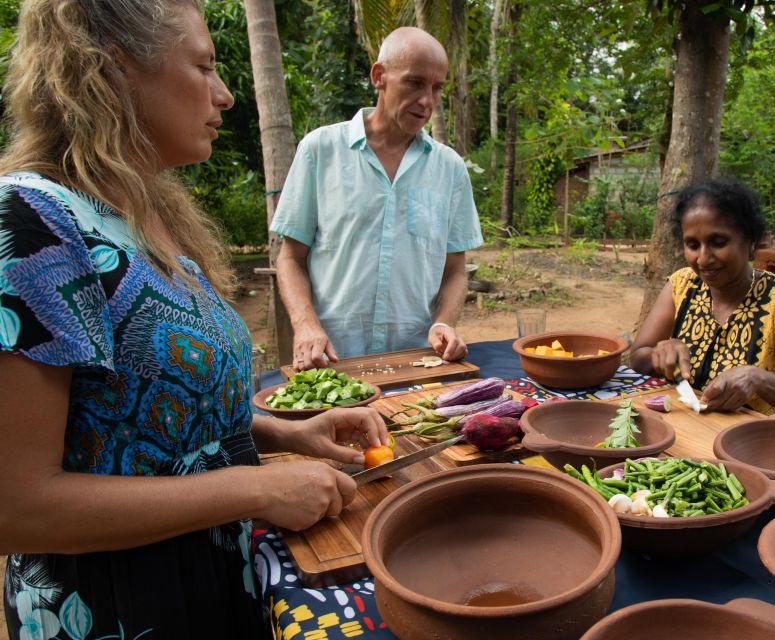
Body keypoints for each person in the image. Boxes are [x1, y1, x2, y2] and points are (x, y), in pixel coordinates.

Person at [0, 2, 388, 637]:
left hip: (211, 577)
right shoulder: (33, 223)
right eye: (204, 66)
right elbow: (15, 506)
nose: (225, 94)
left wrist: (290, 435)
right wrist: (256, 491)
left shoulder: (149, 219)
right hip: (115, 609)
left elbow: (155, 417)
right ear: (117, 71)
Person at [270, 26, 483, 370]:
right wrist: (306, 325)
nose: (427, 101)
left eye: (437, 88)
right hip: (332, 362)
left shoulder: (450, 169)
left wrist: (444, 321)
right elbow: (290, 258)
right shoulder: (321, 150)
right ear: (379, 76)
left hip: (416, 364)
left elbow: (455, 269)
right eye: (415, 83)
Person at [628, 178, 775, 415]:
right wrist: (657, 354)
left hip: (755, 442)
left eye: (718, 242)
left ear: (751, 242)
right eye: (693, 245)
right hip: (688, 432)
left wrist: (759, 379)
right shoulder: (682, 285)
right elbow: (637, 358)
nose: (703, 258)